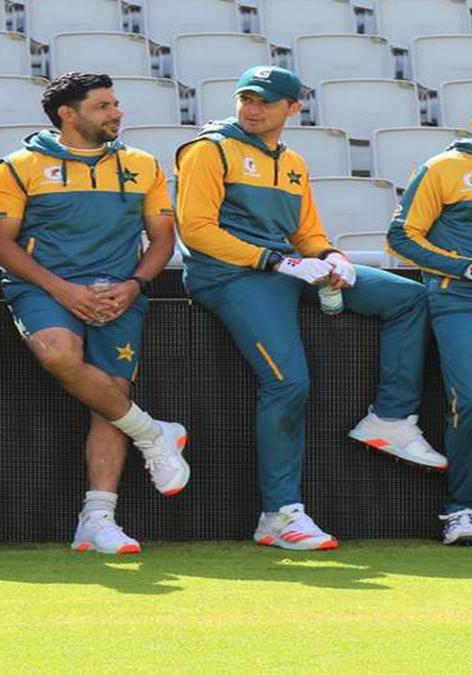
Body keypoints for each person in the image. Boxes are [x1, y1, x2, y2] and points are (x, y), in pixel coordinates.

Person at [176, 65, 443, 551]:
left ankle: (391, 417)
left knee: (409, 297)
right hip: (230, 276)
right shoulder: (207, 149)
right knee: (287, 382)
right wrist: (275, 259)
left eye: (264, 101)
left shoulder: (292, 161)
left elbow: (307, 233)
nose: (252, 109)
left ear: (292, 108)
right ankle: (278, 516)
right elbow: (195, 230)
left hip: (285, 267)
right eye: (245, 99)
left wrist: (330, 257)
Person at [0, 72, 188, 555]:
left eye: (116, 104)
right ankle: (152, 433)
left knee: (111, 392)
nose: (116, 113)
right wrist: (62, 290)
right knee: (57, 354)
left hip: (120, 292)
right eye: (103, 106)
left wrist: (134, 285)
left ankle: (97, 519)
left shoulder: (143, 165)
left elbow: (163, 240)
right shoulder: (18, 166)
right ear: (68, 115)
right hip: (43, 289)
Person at [386, 137, 472, 545]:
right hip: (458, 298)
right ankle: (462, 509)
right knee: (469, 397)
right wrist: (464, 267)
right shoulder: (443, 167)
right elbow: (401, 237)